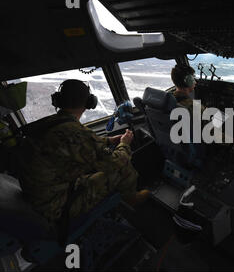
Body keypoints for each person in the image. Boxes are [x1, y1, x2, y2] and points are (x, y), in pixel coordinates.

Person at [18, 79, 150, 227]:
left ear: (58, 100)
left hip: (41, 193)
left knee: (98, 165)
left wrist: (108, 141)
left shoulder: (50, 123)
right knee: (121, 167)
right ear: (89, 103)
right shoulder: (74, 132)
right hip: (57, 205)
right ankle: (132, 198)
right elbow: (115, 162)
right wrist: (124, 144)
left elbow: (76, 145)